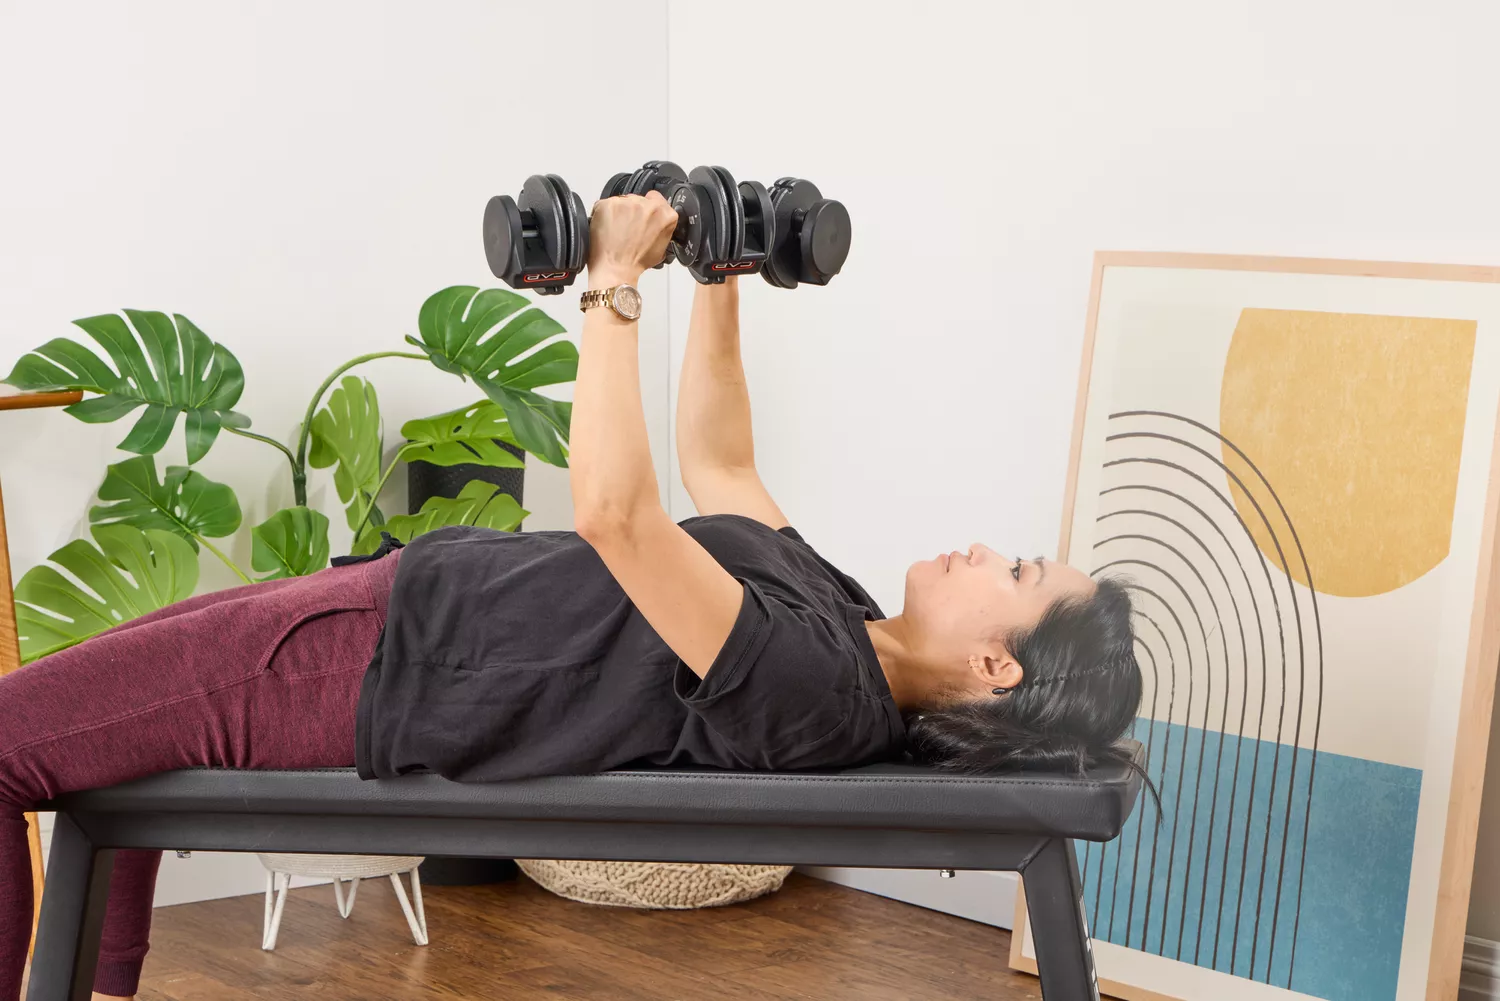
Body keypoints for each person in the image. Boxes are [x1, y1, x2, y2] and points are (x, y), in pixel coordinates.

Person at [0, 190, 1142, 1000]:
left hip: (359, 664)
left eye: (1019, 573)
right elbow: (724, 467)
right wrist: (724, 277)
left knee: (6, 745)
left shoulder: (817, 691)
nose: (991, 547)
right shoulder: (842, 617)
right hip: (372, 609)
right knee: (103, 751)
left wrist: (613, 285)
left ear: (1000, 665)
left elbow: (618, 514)